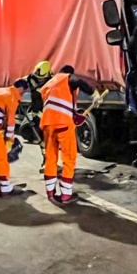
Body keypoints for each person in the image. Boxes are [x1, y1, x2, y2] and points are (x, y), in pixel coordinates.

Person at [41, 65, 103, 204]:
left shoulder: (48, 85)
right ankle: (66, 195)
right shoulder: (66, 77)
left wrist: (75, 116)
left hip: (47, 125)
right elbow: (77, 81)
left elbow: (57, 105)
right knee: (69, 158)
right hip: (63, 125)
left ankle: (50, 192)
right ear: (68, 73)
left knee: (50, 158)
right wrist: (94, 94)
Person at [26, 60, 54, 171]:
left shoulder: (52, 80)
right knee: (41, 139)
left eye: (42, 78)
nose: (39, 79)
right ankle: (46, 160)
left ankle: (51, 161)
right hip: (37, 113)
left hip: (49, 114)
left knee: (50, 140)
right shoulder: (32, 78)